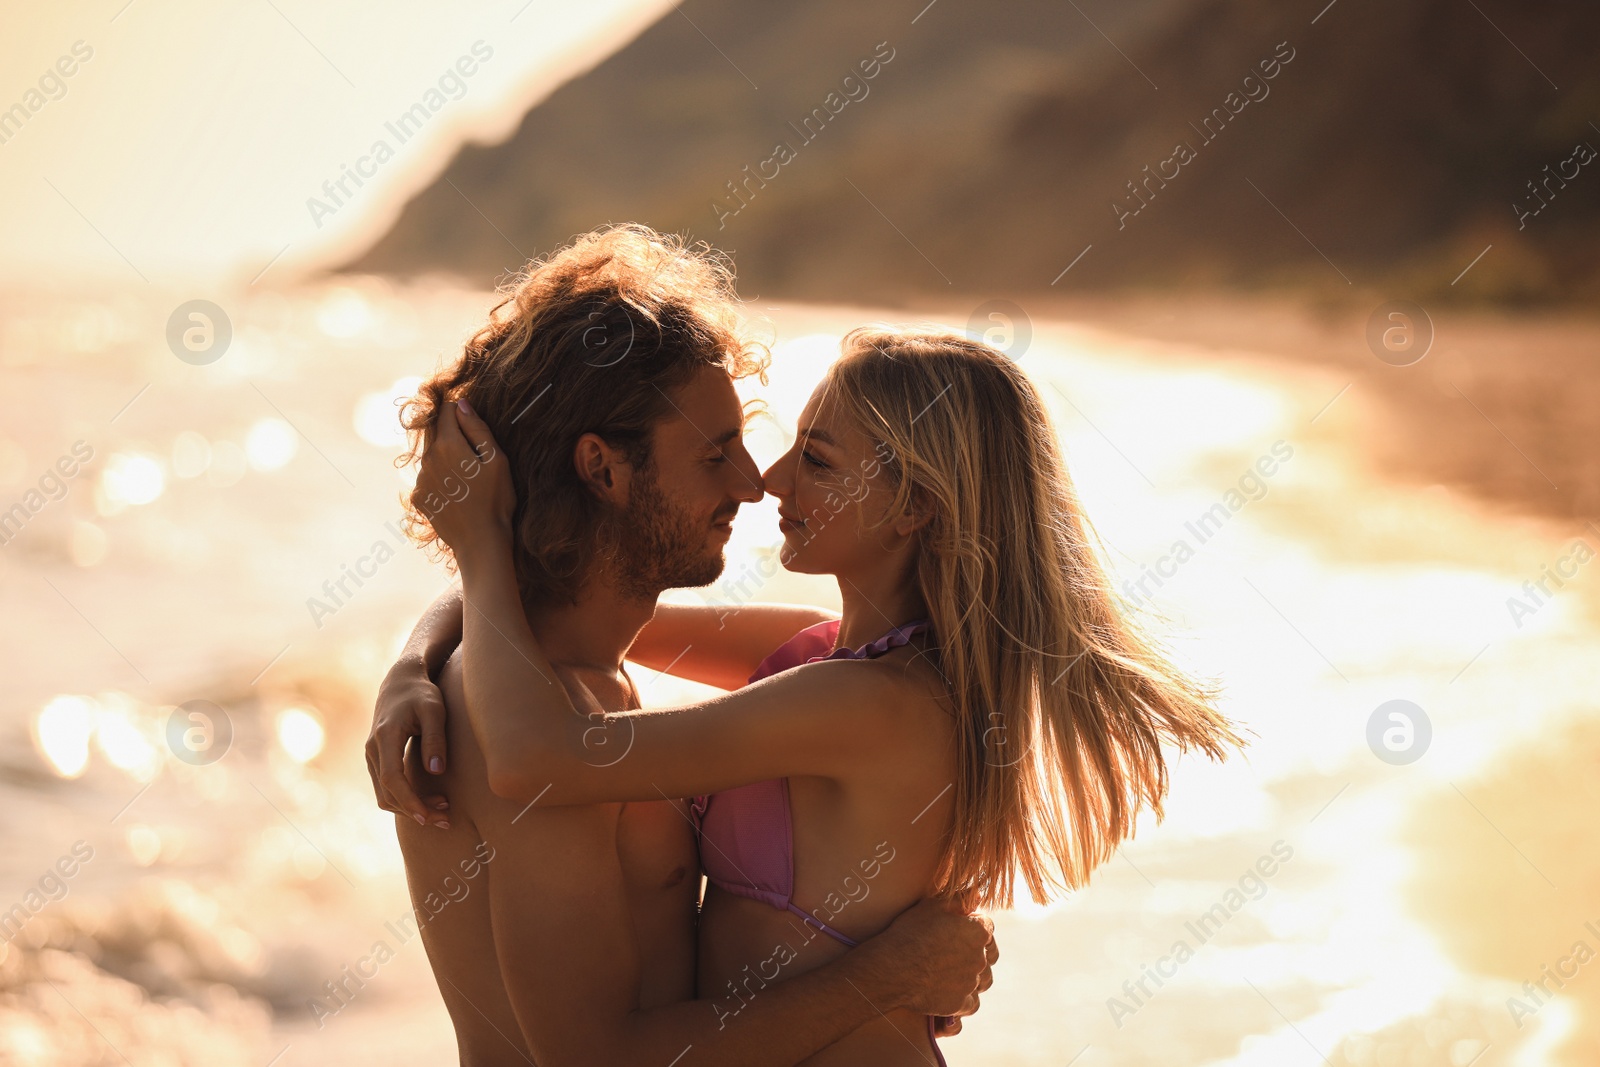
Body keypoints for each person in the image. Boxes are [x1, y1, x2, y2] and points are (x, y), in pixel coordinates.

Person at [377, 316, 1250, 1062]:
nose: (770, 479)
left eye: (819, 461)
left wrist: (481, 544)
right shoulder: (822, 653)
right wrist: (412, 662)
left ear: (916, 507)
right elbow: (575, 606)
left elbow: (538, 751)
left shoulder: (873, 704)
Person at [365, 225, 996, 1066]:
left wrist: (417, 652)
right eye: (715, 453)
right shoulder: (533, 717)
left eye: (793, 453)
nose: (755, 481)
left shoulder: (566, 686)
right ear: (604, 470)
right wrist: (887, 973)